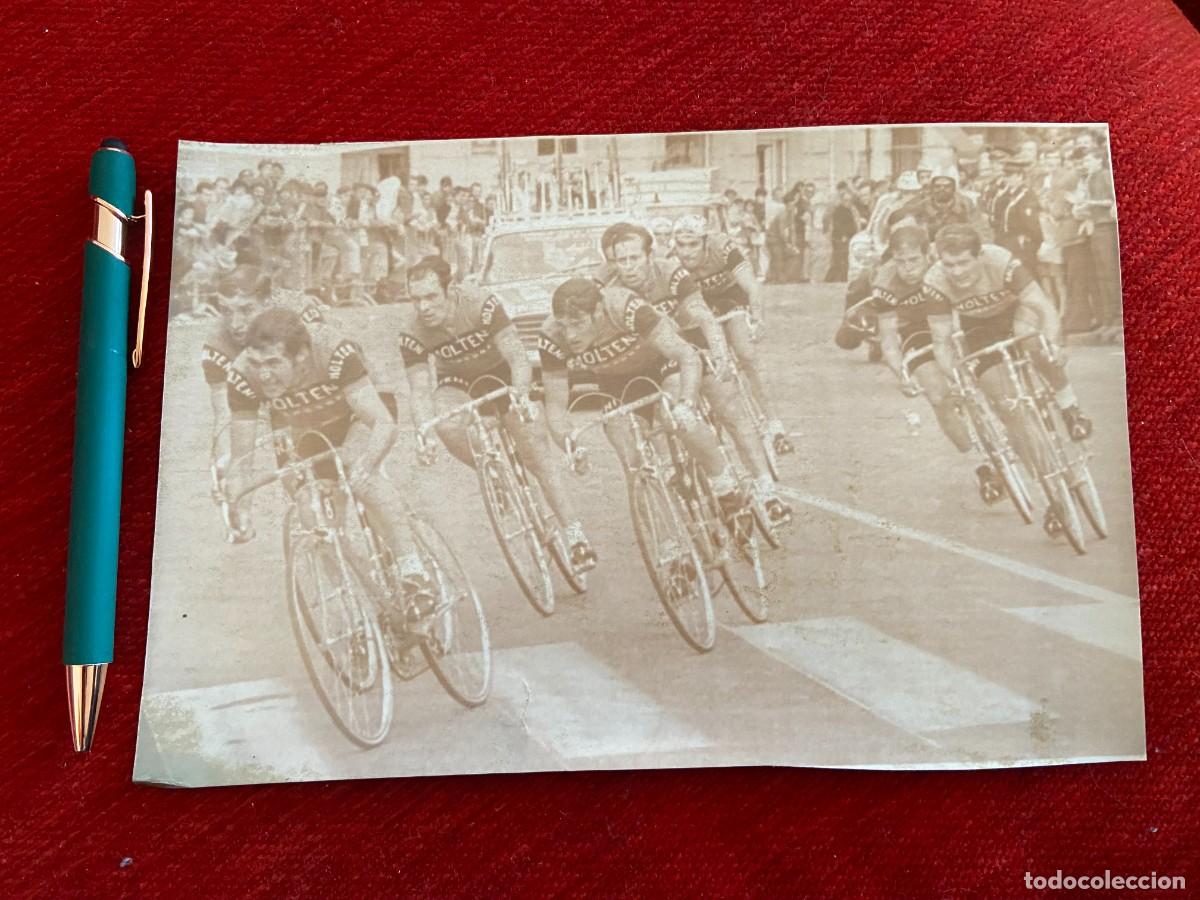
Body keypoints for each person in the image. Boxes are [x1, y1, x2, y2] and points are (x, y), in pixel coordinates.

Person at [397, 256, 596, 572]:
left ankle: (575, 536)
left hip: (501, 372)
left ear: (451, 290)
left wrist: (520, 397)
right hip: (459, 381)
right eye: (416, 299)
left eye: (431, 296)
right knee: (446, 424)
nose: (423, 307)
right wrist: (422, 431)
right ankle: (492, 474)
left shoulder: (480, 304)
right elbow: (419, 389)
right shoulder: (411, 330)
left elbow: (517, 357)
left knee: (536, 454)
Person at [223, 309, 424, 615]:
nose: (263, 374)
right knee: (311, 514)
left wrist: (366, 466)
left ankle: (414, 575)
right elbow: (243, 459)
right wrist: (243, 511)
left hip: (360, 412)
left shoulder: (330, 349)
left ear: (301, 355)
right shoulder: (242, 374)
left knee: (362, 477)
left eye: (274, 363)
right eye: (257, 363)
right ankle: (365, 605)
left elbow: (383, 423)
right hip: (305, 428)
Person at [595, 224, 791, 524]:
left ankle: (767, 491)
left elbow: (702, 314)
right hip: (652, 354)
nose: (629, 266)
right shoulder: (606, 287)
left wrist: (721, 354)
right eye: (621, 261)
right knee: (670, 413)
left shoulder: (671, 272)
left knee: (728, 406)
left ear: (651, 255)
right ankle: (688, 474)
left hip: (689, 335)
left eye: (636, 258)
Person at [538, 278, 750, 526]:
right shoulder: (551, 335)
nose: (570, 335)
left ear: (598, 311)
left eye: (577, 323)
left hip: (660, 362)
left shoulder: (625, 308)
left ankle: (725, 488)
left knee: (676, 410)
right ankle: (669, 545)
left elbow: (686, 355)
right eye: (564, 326)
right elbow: (554, 405)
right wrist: (569, 445)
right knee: (631, 459)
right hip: (615, 381)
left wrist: (687, 403)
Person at [924, 225, 1094, 524]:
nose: (957, 271)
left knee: (1032, 341)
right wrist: (957, 379)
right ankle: (1055, 497)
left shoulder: (1001, 260)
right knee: (1008, 410)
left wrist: (1053, 343)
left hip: (1018, 313)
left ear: (979, 255)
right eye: (949, 264)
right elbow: (941, 340)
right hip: (979, 330)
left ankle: (1069, 406)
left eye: (964, 262)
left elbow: (1042, 306)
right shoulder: (935, 281)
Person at [869, 227, 1000, 500]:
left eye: (913, 260)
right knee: (938, 396)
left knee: (981, 375)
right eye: (900, 261)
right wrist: (901, 373)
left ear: (928, 254)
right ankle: (980, 465)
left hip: (952, 321)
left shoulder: (946, 268)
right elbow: (889, 338)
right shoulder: (885, 282)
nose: (907, 269)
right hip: (916, 331)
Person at [670, 215, 793, 457]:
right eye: (681, 244)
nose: (686, 251)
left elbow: (751, 286)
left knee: (746, 354)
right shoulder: (671, 261)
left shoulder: (723, 247)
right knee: (702, 363)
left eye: (693, 244)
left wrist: (757, 318)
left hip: (730, 298)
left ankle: (773, 424)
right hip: (699, 307)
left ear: (706, 242)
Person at [825, 182, 860, 282]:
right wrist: (843, 235)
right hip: (840, 238)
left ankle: (840, 279)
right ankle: (831, 279)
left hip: (847, 237)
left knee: (843, 259)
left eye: (849, 201)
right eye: (845, 200)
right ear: (842, 200)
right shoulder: (839, 210)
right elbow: (837, 224)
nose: (847, 202)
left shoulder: (849, 210)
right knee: (839, 259)